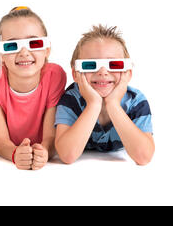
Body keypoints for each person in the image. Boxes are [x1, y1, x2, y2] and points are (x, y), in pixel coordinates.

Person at [55, 25, 154, 165]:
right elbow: (67, 155)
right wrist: (93, 104)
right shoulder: (71, 99)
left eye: (113, 64)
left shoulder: (136, 101)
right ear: (75, 74)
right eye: (90, 65)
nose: (102, 71)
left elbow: (143, 157)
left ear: (128, 73)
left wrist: (113, 104)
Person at [0, 6, 66, 170]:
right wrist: (14, 154)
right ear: (2, 54)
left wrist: (45, 151)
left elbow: (50, 136)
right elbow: (0, 139)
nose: (24, 52)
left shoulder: (55, 75)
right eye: (12, 46)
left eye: (34, 43)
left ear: (47, 50)